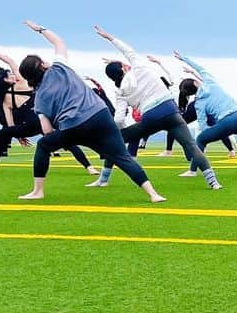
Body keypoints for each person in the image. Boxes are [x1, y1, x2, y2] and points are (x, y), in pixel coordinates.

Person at [15, 21, 165, 202]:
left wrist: (63, 135)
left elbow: (46, 130)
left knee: (43, 145)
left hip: (74, 127)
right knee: (122, 157)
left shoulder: (39, 97)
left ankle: (38, 191)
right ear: (43, 66)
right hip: (100, 116)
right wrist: (39, 29)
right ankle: (153, 194)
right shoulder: (60, 68)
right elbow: (58, 42)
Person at [89, 27, 222, 190]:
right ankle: (213, 182)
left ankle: (103, 179)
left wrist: (119, 132)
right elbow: (127, 50)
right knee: (191, 146)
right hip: (170, 111)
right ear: (124, 68)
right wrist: (109, 38)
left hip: (150, 117)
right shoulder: (138, 67)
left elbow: (118, 119)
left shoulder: (120, 90)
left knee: (114, 141)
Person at [0, 50, 96, 174]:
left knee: (3, 133)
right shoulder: (21, 83)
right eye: (10, 75)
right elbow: (10, 61)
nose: (13, 74)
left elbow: (10, 125)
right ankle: (89, 167)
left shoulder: (5, 98)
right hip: (41, 122)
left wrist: (19, 136)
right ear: (6, 80)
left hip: (33, 126)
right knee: (66, 141)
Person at [149, 55, 236, 157]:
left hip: (196, 107)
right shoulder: (202, 88)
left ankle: (169, 151)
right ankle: (231, 150)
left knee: (173, 125)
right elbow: (202, 78)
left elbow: (171, 74)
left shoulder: (178, 89)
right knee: (217, 127)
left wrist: (159, 62)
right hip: (202, 108)